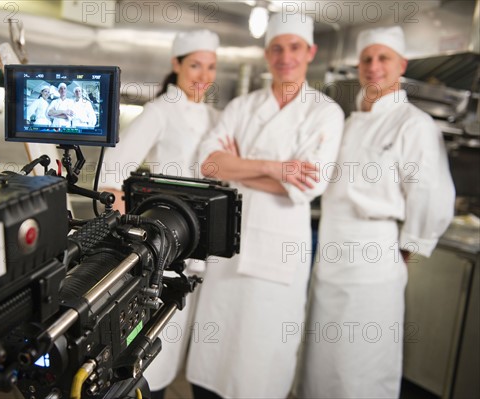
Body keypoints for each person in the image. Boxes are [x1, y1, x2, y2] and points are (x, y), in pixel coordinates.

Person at [185, 13, 345, 399]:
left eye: (294, 47)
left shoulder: (325, 112)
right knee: (213, 353)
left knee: (261, 361)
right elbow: (205, 164)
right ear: (267, 53)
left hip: (279, 255)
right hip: (227, 250)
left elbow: (308, 185)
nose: (285, 56)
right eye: (277, 48)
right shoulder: (243, 106)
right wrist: (277, 168)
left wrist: (236, 170)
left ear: (310, 52)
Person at [295, 26, 455, 398]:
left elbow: (432, 195)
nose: (374, 66)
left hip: (375, 257)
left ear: (402, 63)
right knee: (322, 364)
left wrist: (405, 248)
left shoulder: (414, 124)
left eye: (383, 58)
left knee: (361, 366)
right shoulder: (349, 122)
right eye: (367, 58)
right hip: (332, 254)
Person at [100, 29, 220, 399]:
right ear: (177, 65)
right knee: (154, 338)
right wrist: (123, 217)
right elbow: (113, 169)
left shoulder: (216, 116)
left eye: (211, 67)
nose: (203, 76)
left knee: (178, 333)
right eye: (195, 65)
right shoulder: (161, 109)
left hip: (200, 242)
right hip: (166, 239)